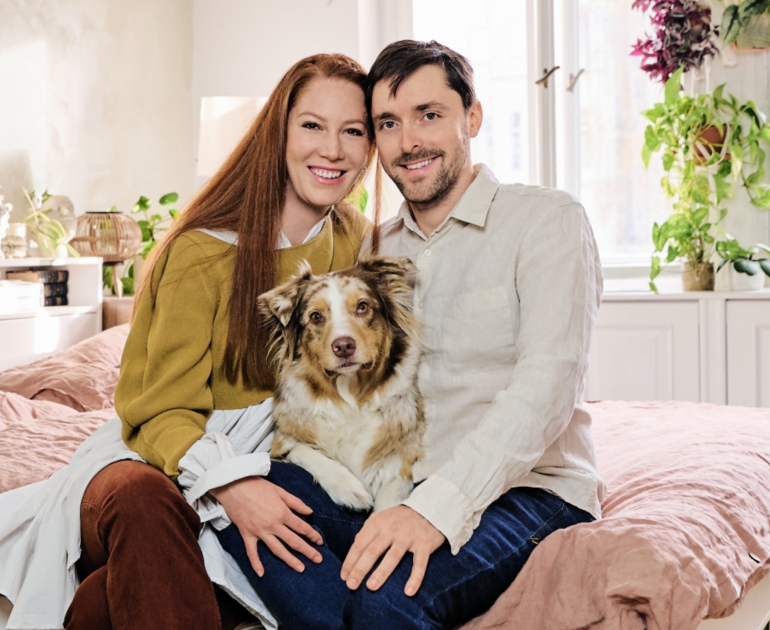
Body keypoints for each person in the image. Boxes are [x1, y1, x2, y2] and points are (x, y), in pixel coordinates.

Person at [0, 53, 374, 630]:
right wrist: (232, 484)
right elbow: (156, 409)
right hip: (152, 456)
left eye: (353, 131)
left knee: (104, 603)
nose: (332, 149)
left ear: (370, 145)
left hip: (268, 456)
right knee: (143, 500)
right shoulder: (201, 253)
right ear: (279, 134)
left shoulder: (357, 240)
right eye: (312, 125)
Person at [213, 40, 605, 630]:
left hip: (526, 490)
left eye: (429, 115)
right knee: (243, 506)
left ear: (472, 116)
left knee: (386, 603)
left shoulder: (545, 222)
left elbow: (547, 390)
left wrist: (435, 509)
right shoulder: (371, 248)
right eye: (388, 124)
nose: (409, 141)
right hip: (393, 481)